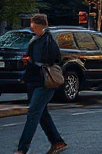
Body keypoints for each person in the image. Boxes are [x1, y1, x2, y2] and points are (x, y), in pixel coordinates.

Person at [13, 13, 66, 154]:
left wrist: (32, 62)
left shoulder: (47, 41)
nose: (31, 28)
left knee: (33, 114)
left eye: (33, 26)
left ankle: (22, 148)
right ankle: (57, 141)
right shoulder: (36, 40)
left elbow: (50, 60)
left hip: (44, 82)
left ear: (39, 26)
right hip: (34, 80)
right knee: (42, 114)